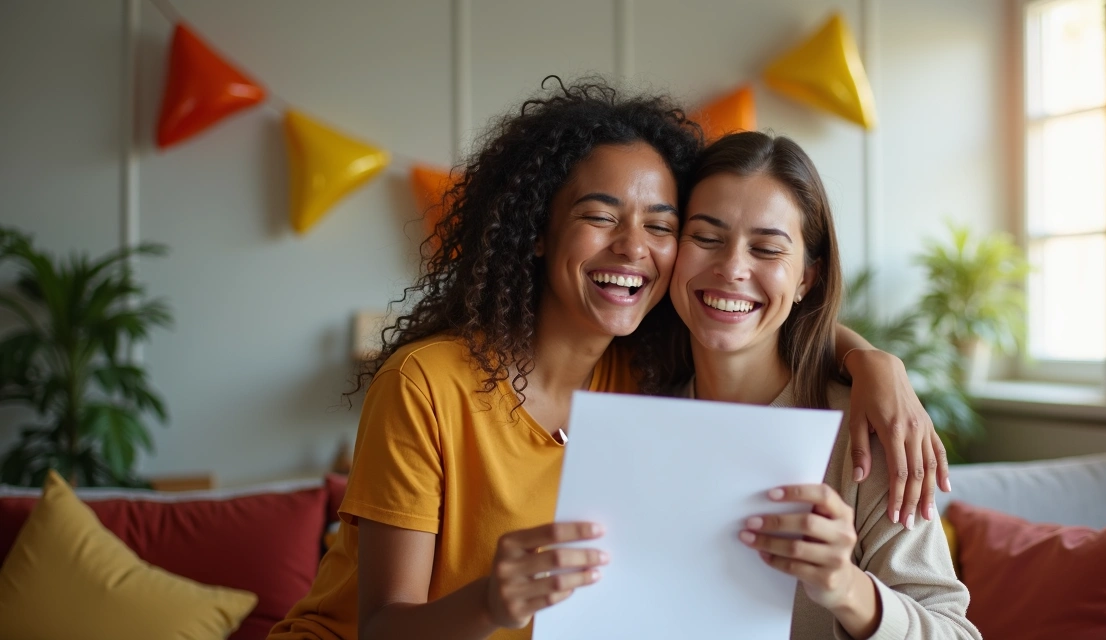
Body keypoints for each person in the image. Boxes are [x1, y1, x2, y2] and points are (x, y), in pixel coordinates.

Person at [268, 79, 949, 640]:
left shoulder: (652, 377)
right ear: (537, 229)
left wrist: (874, 365)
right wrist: (493, 602)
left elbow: (752, 314)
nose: (633, 247)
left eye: (660, 225)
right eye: (600, 216)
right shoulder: (451, 383)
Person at [668, 131, 979, 639]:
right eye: (705, 238)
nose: (732, 268)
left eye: (767, 248)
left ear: (806, 280)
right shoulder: (635, 405)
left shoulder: (866, 435)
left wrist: (847, 588)